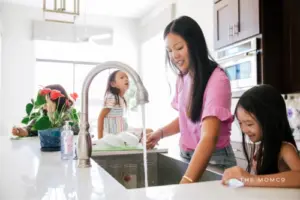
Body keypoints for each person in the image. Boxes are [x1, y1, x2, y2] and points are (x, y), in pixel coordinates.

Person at [146, 16, 237, 184]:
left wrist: (187, 181)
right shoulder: (183, 77)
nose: (174, 56)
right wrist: (160, 133)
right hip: (188, 156)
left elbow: (208, 138)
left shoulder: (217, 80)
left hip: (213, 160)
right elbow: (187, 118)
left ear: (194, 45)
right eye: (169, 50)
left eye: (179, 47)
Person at [222, 85, 300, 188]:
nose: (244, 129)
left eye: (249, 124)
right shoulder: (260, 148)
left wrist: (250, 179)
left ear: (270, 121)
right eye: (240, 123)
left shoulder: (285, 149)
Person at [98, 70, 152, 140]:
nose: (126, 79)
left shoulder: (121, 98)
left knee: (149, 132)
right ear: (113, 84)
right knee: (148, 133)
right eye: (122, 78)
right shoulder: (112, 97)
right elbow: (101, 117)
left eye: (127, 77)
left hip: (122, 132)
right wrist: (100, 139)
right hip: (115, 135)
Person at [11, 84, 79, 137]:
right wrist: (24, 131)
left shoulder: (67, 115)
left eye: (46, 102)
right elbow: (33, 127)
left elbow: (75, 129)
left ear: (58, 102)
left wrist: (53, 119)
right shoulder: (44, 115)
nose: (43, 106)